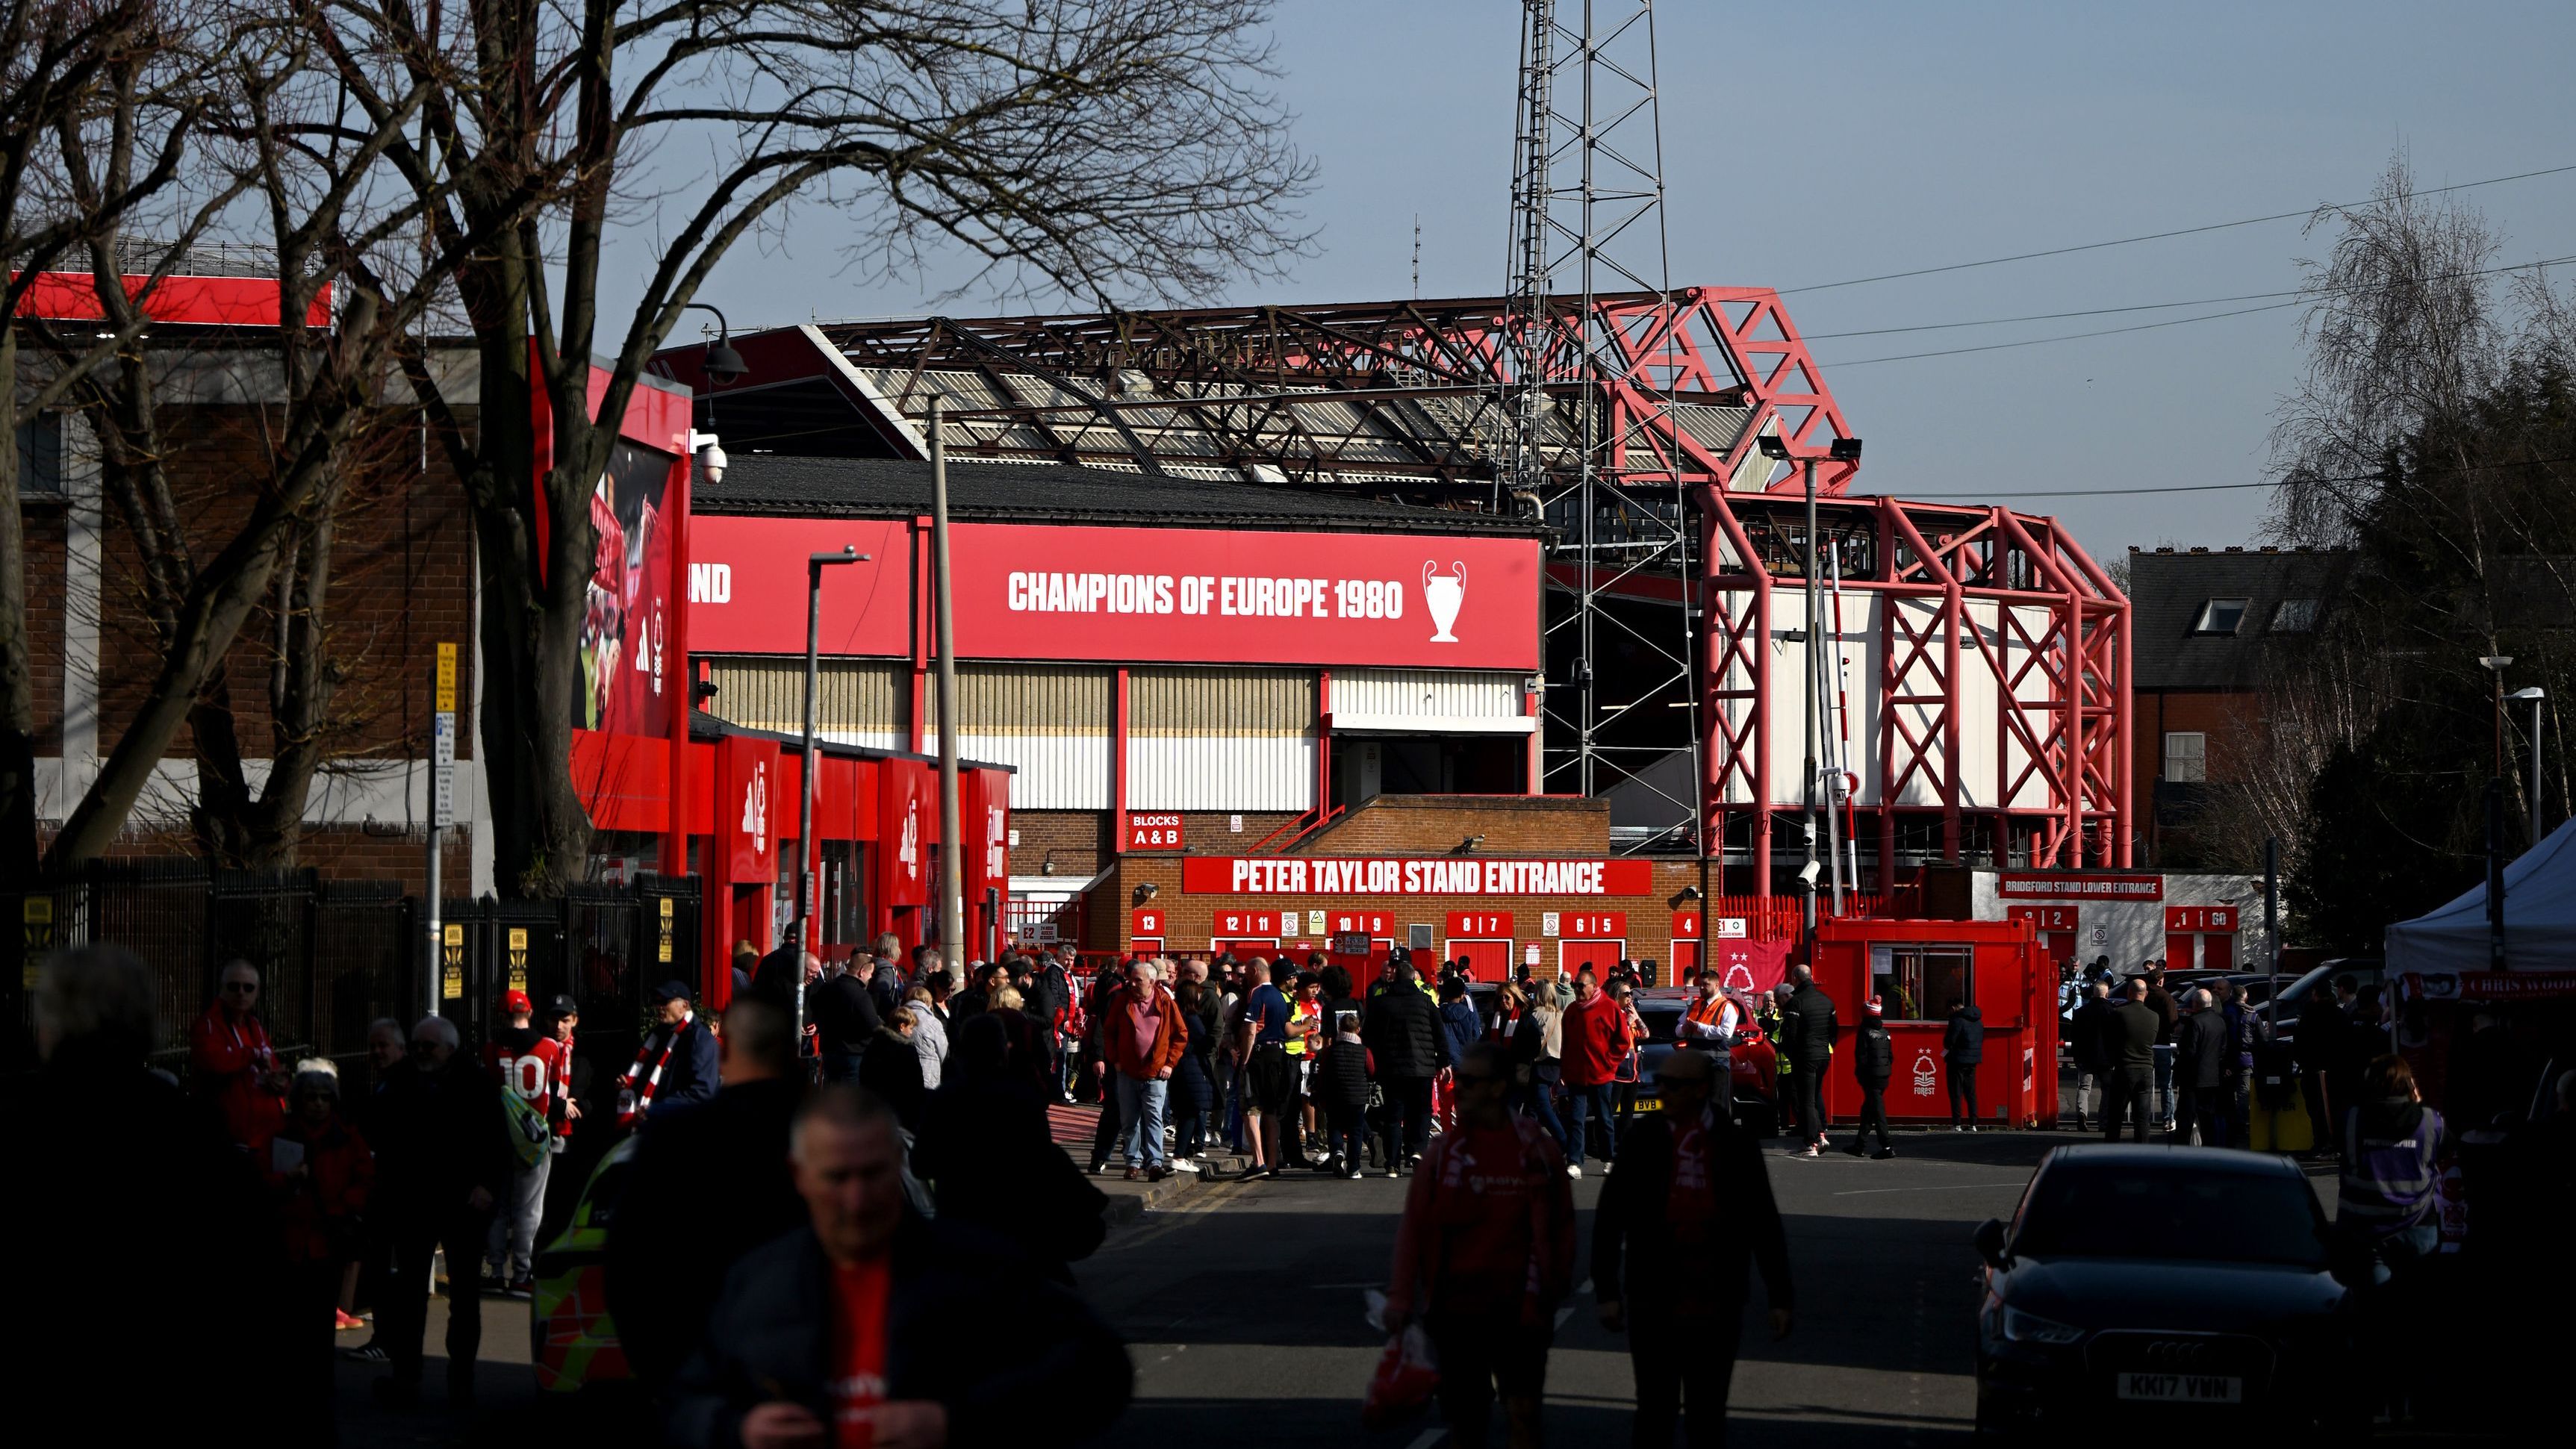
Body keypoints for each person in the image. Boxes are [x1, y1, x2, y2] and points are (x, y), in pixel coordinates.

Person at [666, 1087, 1133, 1449]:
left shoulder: (976, 1266)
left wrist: (956, 1420)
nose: (857, 1198)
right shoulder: (758, 1282)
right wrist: (739, 1428)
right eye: (836, 1177)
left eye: (872, 1174)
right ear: (799, 1176)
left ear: (899, 1165)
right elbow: (685, 1401)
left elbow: (1099, 1369)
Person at [8, 945, 290, 1439]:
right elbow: (258, 1296)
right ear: (146, 1028)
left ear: (49, 1028)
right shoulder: (199, 1141)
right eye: (235, 986)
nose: (242, 995)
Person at [1593, 1048, 1794, 1449]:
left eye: (1674, 1084)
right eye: (1662, 1081)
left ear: (1702, 1089)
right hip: (1653, 1295)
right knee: (1654, 1410)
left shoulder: (1735, 1142)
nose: (1662, 1091)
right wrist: (1607, 1291)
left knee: (1707, 1413)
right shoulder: (1643, 1139)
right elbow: (1611, 1215)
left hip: (1716, 1296)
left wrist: (1780, 1295)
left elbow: (1763, 1220)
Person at [608, 997, 811, 1390]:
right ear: (790, 1053)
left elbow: (629, 1259)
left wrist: (663, 1371)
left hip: (703, 1363)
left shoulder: (675, 1140)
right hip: (804, 1368)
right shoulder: (829, 1135)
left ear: (727, 1051)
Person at [1384, 1044, 1575, 1449]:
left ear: (1497, 1088)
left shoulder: (1537, 1150)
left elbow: (1562, 1225)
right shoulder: (1442, 1153)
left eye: (1469, 1081)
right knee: (1466, 1422)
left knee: (1523, 1417)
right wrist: (1400, 1300)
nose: (1459, 1088)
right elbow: (1414, 1229)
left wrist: (1555, 1286)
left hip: (1520, 1308)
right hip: (1457, 1311)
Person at [370, 1015, 514, 1409]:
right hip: (415, 1203)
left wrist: (487, 1186)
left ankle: (461, 1377)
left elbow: (497, 1140)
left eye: (428, 1046)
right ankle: (406, 1375)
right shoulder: (403, 1080)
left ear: (449, 1048)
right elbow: (382, 1131)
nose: (420, 1053)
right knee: (410, 1293)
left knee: (464, 1296)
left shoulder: (475, 1081)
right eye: (416, 1045)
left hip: (462, 1204)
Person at [915, 1011, 1110, 1282]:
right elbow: (1043, 1158)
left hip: (959, 1228)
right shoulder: (1021, 1098)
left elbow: (921, 1163)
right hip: (1014, 1231)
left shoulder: (944, 1099)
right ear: (1002, 1051)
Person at [267, 1059, 374, 1443]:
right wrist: (285, 1182)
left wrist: (345, 1205)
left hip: (324, 1244)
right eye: (310, 1097)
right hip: (290, 1244)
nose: (317, 1104)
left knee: (318, 1330)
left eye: (323, 1098)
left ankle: (318, 1395)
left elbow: (364, 1178)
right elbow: (262, 1179)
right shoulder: (281, 1134)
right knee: (291, 1329)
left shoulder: (345, 1138)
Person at [479, 989, 564, 1296]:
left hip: (501, 1136)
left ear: (503, 1016)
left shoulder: (491, 1050)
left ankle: (496, 1271)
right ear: (529, 1014)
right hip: (534, 1137)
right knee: (529, 1209)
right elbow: (554, 1091)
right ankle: (522, 1275)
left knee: (499, 1207)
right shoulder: (549, 1048)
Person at [1365, 953, 1452, 1177]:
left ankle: (1392, 1164)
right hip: (1422, 1067)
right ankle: (1417, 1150)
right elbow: (1439, 1033)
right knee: (1421, 1111)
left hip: (1392, 1068)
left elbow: (1369, 1036)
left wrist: (1373, 1063)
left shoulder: (1381, 1002)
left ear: (1394, 978)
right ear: (1414, 978)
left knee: (1393, 1115)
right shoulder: (1425, 1001)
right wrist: (1443, 1062)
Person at [190, 957, 290, 1150]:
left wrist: (280, 1081)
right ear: (222, 989)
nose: (241, 993)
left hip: (266, 1140)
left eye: (248, 988)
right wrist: (252, 1054)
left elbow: (275, 1068)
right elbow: (214, 1062)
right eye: (234, 987)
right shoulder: (208, 1026)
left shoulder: (256, 1028)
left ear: (257, 993)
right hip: (230, 1141)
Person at [1101, 958, 1185, 1181]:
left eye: (1137, 980)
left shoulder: (1166, 1003)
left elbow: (1180, 1035)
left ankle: (1155, 1162)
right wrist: (1115, 1060)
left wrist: (1170, 1063)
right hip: (1127, 1071)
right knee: (1129, 1120)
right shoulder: (1122, 1002)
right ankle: (1133, 1161)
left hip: (1156, 1072)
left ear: (1152, 981)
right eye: (1131, 980)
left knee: (1154, 1118)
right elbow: (1109, 1032)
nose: (1132, 984)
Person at [1558, 969, 1635, 1177]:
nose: (1577, 989)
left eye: (1581, 986)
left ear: (1594, 986)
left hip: (1601, 1076)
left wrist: (1609, 1064)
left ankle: (1608, 1158)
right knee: (1576, 1119)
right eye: (1575, 985)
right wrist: (1564, 1069)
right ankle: (1574, 1162)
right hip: (1576, 1076)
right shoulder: (1572, 1011)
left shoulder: (1609, 1007)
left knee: (1604, 1118)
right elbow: (1566, 1043)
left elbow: (1622, 1042)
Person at [620, 981, 719, 1127]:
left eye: (665, 1002)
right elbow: (651, 1077)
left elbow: (703, 1090)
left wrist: (660, 1107)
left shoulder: (700, 1040)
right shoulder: (657, 1036)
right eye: (656, 1001)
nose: (659, 1007)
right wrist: (631, 1083)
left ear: (684, 1006)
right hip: (653, 1123)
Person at [1239, 956, 1296, 1177]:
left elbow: (1251, 1028)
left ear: (1254, 971)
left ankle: (1259, 1162)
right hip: (1278, 1054)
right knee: (1271, 1111)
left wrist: (1245, 1058)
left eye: (1246, 973)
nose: (1245, 977)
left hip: (1259, 1054)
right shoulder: (1281, 997)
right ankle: (1272, 1163)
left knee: (1250, 1110)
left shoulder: (1257, 994)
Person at [1779, 965, 1840, 1156]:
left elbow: (1791, 1035)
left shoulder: (1795, 1003)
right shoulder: (1827, 1001)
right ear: (1811, 977)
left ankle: (1811, 1143)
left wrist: (1794, 1054)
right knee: (1814, 1097)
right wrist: (1825, 1046)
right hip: (1823, 1055)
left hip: (1805, 1057)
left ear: (1795, 979)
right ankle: (1821, 1136)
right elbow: (1834, 1031)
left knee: (1806, 1100)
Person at [1508, 981, 1570, 1153]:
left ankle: (1564, 1141)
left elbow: (1528, 1041)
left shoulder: (1535, 1014)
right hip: (1556, 1063)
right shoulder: (1560, 1014)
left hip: (1539, 1063)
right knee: (1533, 1107)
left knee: (1542, 1105)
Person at [1314, 1010, 1375, 1180]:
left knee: (1335, 1126)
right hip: (1357, 1098)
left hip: (1335, 1096)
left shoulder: (1330, 1051)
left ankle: (1338, 1152)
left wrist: (1321, 1095)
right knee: (1356, 1131)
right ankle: (1353, 1168)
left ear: (1339, 1029)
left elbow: (1323, 1073)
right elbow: (1371, 1071)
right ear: (1358, 1030)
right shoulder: (1364, 1051)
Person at [809, 950, 884, 1084]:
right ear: (862, 972)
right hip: (853, 1056)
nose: (871, 978)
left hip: (829, 1053)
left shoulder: (827, 988)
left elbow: (815, 1010)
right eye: (870, 974)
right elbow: (874, 1026)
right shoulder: (861, 996)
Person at [2100, 977, 2158, 1143]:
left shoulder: (2118, 1013)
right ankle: (2142, 1153)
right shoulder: (2154, 1017)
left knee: (2116, 1116)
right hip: (2146, 1069)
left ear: (2128, 993)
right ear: (2145, 994)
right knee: (2142, 1117)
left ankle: (2112, 1150)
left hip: (2124, 1068)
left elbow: (2109, 1040)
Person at [2297, 970, 2351, 1150]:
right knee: (2336, 1107)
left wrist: (2303, 1061)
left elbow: (2300, 1041)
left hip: (2313, 1068)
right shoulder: (2340, 1015)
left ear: (2315, 994)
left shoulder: (2309, 1015)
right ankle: (2336, 1143)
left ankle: (2321, 1142)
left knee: (2316, 1109)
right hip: (2338, 1070)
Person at [2172, 988, 2230, 1147]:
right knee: (2208, 1120)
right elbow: (2223, 1049)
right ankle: (2209, 1151)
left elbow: (2189, 1051)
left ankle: (2181, 1150)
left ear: (2196, 1004)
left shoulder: (2194, 1022)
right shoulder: (2220, 1021)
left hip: (2192, 1079)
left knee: (2186, 1119)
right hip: (2212, 1078)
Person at [1171, 979, 1217, 1172]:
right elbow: (1205, 1042)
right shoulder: (1191, 1017)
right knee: (1191, 1111)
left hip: (1180, 1067)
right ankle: (1180, 1156)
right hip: (1191, 1066)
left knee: (1184, 1113)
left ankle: (1181, 1153)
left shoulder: (1176, 1014)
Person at [859, 1006, 929, 1132]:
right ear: (902, 1026)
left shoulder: (875, 1045)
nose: (912, 1032)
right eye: (911, 1028)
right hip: (902, 1110)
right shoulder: (906, 1049)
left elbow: (865, 1075)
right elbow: (916, 1083)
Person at [1848, 997, 1896, 1159]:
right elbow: (1891, 1056)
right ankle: (1859, 1145)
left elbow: (1860, 1057)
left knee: (1878, 1112)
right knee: (1868, 1110)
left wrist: (1860, 1075)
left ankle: (1887, 1146)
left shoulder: (1864, 1032)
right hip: (1884, 1076)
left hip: (1870, 1077)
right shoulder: (1885, 1032)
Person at [2068, 980, 2112, 1133]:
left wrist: (2076, 1057)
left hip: (2085, 1057)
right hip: (2106, 1059)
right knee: (2107, 1089)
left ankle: (2082, 1114)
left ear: (2093, 993)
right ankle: (2103, 1121)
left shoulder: (2081, 1012)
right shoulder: (2112, 1011)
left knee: (2084, 1087)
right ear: (2107, 993)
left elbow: (2074, 1037)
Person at [2141, 965, 2180, 1131]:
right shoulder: (2167, 998)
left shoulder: (2143, 995)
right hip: (2163, 1044)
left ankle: (2143, 1118)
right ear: (2161, 980)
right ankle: (2168, 1119)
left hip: (2144, 1044)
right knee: (2166, 1085)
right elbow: (2173, 1022)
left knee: (2144, 1085)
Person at [1942, 996, 1984, 1132]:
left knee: (1956, 1092)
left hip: (1957, 1061)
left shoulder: (1957, 1020)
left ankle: (1957, 1124)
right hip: (1973, 1061)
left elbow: (1949, 1042)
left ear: (1953, 1008)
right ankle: (1973, 1123)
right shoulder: (1978, 1021)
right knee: (1971, 1093)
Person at [906, 983, 949, 1090]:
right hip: (928, 1072)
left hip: (904, 1071)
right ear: (928, 1002)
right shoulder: (933, 1022)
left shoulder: (899, 1015)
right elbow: (943, 1050)